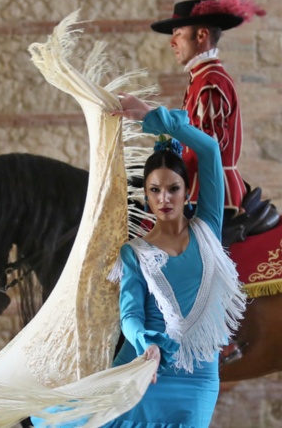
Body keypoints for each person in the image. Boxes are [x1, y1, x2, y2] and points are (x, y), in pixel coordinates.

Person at [103, 93, 246, 427]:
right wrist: (147, 346)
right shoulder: (135, 252)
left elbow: (210, 150)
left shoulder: (208, 226)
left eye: (173, 188)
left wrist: (156, 118)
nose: (164, 198)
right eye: (154, 190)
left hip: (198, 379)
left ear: (186, 191)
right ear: (147, 195)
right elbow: (130, 315)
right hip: (146, 368)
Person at [150, 0, 278, 245]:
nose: (172, 42)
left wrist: (167, 173)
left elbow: (208, 148)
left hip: (208, 192)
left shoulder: (210, 82)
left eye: (178, 33)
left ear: (201, 36)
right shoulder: (202, 78)